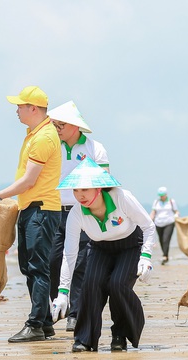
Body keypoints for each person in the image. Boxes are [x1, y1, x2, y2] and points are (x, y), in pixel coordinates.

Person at [0, 86, 62, 343]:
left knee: (37, 268)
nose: (16, 111)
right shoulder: (33, 134)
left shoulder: (43, 137)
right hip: (31, 208)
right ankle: (46, 322)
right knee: (28, 267)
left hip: (42, 209)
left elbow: (29, 181)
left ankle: (35, 324)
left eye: (20, 106)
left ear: (33, 109)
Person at [50, 159, 154, 352]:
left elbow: (148, 226)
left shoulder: (122, 198)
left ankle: (120, 335)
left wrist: (146, 257)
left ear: (99, 188)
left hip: (130, 246)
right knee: (90, 284)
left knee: (118, 285)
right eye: (75, 190)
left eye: (85, 190)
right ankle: (84, 339)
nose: (79, 196)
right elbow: (70, 254)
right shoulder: (76, 214)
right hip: (100, 248)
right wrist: (63, 293)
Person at [47, 101, 110, 333]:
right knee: (54, 261)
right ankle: (58, 306)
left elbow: (104, 182)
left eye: (60, 125)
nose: (56, 129)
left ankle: (76, 313)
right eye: (54, 125)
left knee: (81, 263)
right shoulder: (52, 147)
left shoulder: (95, 149)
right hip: (54, 210)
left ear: (75, 126)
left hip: (83, 212)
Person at [149, 187, 179, 265]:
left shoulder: (171, 201)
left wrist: (176, 215)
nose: (161, 197)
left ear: (166, 194)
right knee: (161, 240)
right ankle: (165, 255)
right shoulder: (156, 202)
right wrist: (149, 221)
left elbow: (176, 211)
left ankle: (165, 256)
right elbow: (153, 213)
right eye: (160, 195)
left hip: (169, 222)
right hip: (158, 223)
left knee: (166, 239)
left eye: (162, 195)